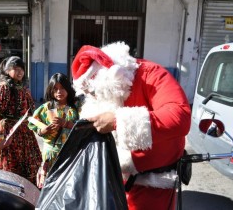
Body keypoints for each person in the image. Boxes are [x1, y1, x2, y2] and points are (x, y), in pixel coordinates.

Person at [70, 41, 191, 210]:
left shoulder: (151, 74)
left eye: (96, 92)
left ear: (110, 76)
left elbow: (180, 117)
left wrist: (117, 121)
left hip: (153, 188)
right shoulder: (105, 91)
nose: (94, 96)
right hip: (111, 184)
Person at [0, 56, 42, 185]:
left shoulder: (23, 88)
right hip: (9, 132)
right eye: (16, 69)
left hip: (24, 132)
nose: (20, 72)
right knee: (11, 165)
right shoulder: (3, 88)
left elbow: (30, 113)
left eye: (22, 69)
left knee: (30, 164)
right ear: (7, 71)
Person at [28, 73, 80, 188]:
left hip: (71, 154)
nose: (59, 92)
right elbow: (32, 124)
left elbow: (84, 126)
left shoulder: (76, 107)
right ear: (50, 90)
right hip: (51, 155)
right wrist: (43, 130)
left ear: (68, 88)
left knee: (68, 186)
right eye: (55, 89)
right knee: (50, 186)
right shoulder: (46, 107)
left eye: (62, 88)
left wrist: (66, 124)